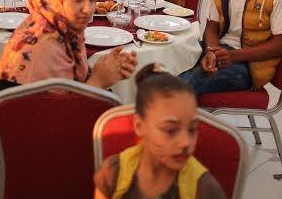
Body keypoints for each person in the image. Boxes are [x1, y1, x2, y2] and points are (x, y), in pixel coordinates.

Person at [0, 0, 137, 88]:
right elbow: (59, 109)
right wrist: (98, 81)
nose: (88, 9)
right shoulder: (41, 47)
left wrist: (106, 69)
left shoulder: (64, 32)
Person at [94, 64, 226, 199]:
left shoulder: (203, 189)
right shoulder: (114, 173)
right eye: (170, 130)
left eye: (192, 130)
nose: (185, 142)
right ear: (139, 126)